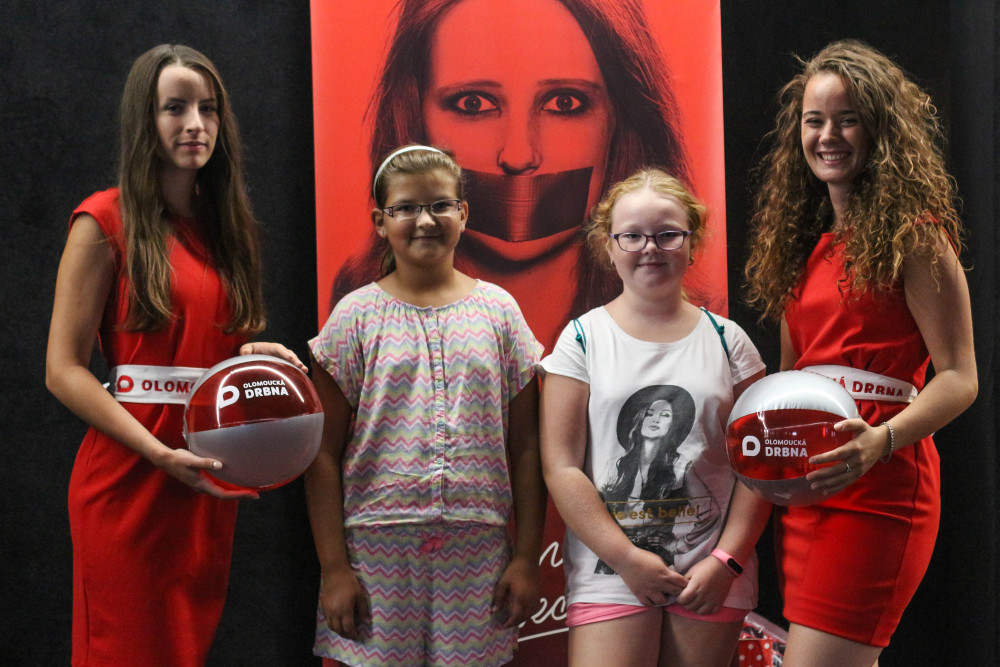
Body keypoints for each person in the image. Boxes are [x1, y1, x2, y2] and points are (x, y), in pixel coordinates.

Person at [45, 44, 305, 665]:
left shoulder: (228, 229)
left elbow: (214, 353)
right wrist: (159, 453)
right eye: (175, 108)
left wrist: (252, 355)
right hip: (131, 478)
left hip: (204, 479)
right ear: (145, 119)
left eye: (208, 109)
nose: (195, 124)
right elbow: (62, 371)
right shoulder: (103, 220)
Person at [744, 40, 978, 666]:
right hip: (809, 486)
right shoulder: (800, 244)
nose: (828, 136)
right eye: (814, 120)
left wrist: (882, 441)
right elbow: (793, 376)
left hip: (879, 485)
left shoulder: (917, 238)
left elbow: (960, 377)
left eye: (847, 119)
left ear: (881, 129)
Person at [331, 0, 713, 347]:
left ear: (621, 121)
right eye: (473, 103)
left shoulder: (710, 335)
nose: (518, 156)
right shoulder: (357, 319)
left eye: (564, 103)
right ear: (415, 116)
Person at [306, 145, 545, 666]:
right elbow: (321, 454)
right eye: (406, 208)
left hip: (478, 553)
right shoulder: (354, 317)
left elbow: (527, 447)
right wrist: (335, 568)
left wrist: (526, 557)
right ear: (380, 221)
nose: (425, 220)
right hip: (374, 554)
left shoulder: (500, 313)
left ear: (463, 212)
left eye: (440, 205)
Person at [539, 169, 771, 667]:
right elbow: (560, 466)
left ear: (693, 243)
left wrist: (726, 561)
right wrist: (627, 559)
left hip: (710, 574)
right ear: (609, 245)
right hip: (610, 573)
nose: (650, 248)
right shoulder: (581, 340)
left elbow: (759, 465)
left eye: (668, 234)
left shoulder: (730, 342)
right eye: (633, 236)